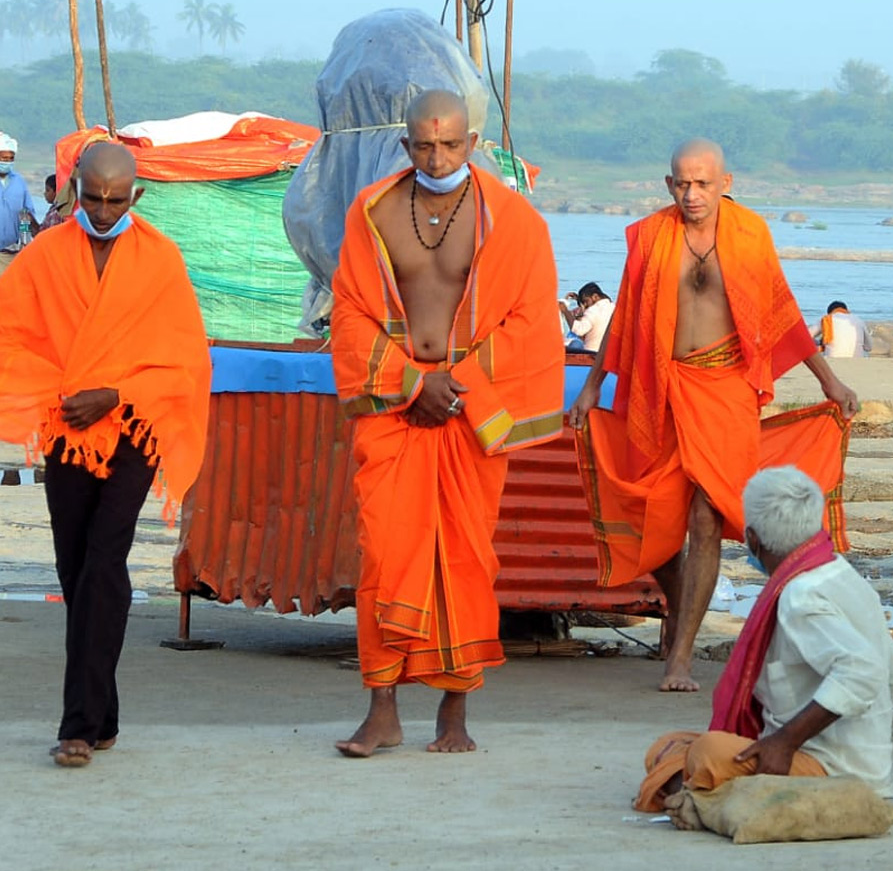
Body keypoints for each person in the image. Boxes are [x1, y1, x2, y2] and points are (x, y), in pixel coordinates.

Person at [569, 138, 858, 693]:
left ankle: (681, 655)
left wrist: (830, 379)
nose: (691, 193)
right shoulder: (653, 238)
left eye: (702, 183)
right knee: (659, 517)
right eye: (681, 183)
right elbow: (625, 318)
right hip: (663, 386)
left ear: (726, 182)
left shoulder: (749, 234)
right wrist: (591, 387)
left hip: (726, 389)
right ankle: (681, 612)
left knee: (705, 517)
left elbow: (783, 312)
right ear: (668, 184)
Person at [330, 89, 563, 757]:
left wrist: (456, 386)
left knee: (465, 556)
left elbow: (530, 320)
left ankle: (454, 714)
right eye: (425, 145)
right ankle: (382, 711)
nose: (438, 156)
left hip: (469, 409)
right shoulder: (372, 212)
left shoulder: (513, 219)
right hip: (396, 410)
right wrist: (410, 384)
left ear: (473, 145)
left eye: (451, 144)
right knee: (384, 554)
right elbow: (348, 312)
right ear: (406, 145)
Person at [0, 142, 211, 767]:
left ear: (136, 196)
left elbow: (183, 361)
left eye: (115, 199)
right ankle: (106, 715)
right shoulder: (42, 256)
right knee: (74, 571)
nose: (101, 210)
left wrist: (115, 393)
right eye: (92, 197)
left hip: (132, 430)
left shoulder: (160, 260)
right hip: (66, 428)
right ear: (74, 189)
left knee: (104, 558)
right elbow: (14, 336)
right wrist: (64, 394)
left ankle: (77, 726)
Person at [633, 466, 893, 813]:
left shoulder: (801, 594)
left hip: (831, 770)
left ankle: (714, 803)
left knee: (706, 754)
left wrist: (786, 740)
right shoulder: (842, 574)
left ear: (753, 539)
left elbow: (862, 671)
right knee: (672, 746)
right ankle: (715, 793)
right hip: (865, 767)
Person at [0, 132, 40, 271]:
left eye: (11, 159)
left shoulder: (19, 182)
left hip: (12, 252)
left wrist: (25, 239)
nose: (7, 162)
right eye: (4, 159)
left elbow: (26, 215)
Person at [559, 281, 614, 352]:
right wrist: (579, 299)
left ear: (595, 297)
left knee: (575, 344)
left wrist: (565, 310)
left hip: (591, 353)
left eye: (586, 301)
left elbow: (579, 330)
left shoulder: (593, 310)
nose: (585, 306)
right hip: (608, 353)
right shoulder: (613, 307)